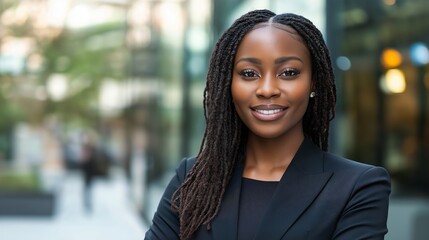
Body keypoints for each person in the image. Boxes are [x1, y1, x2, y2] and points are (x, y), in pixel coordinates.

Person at [144, 9, 391, 240]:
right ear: (228, 84)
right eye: (249, 74)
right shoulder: (192, 178)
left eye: (289, 73)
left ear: (314, 82)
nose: (267, 89)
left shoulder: (358, 186)